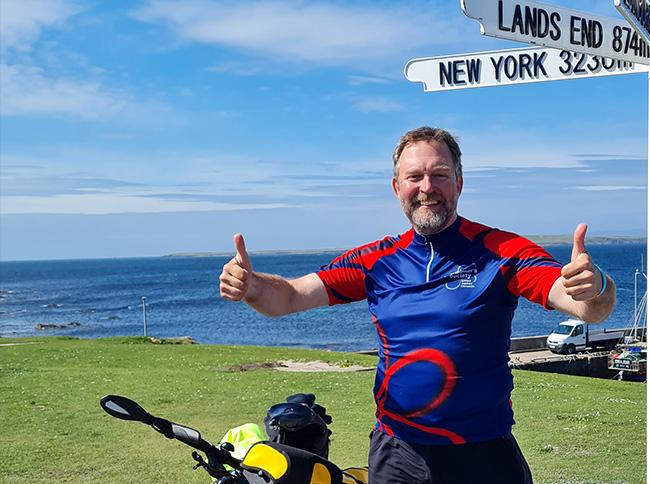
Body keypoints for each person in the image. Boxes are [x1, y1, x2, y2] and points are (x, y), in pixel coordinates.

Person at [219, 126, 616, 484]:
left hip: (483, 453)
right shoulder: (376, 260)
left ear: (459, 183)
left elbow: (587, 308)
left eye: (440, 174)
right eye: (415, 177)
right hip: (397, 454)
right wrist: (252, 285)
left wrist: (595, 285)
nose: (427, 187)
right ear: (397, 187)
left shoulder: (502, 251)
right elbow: (289, 296)